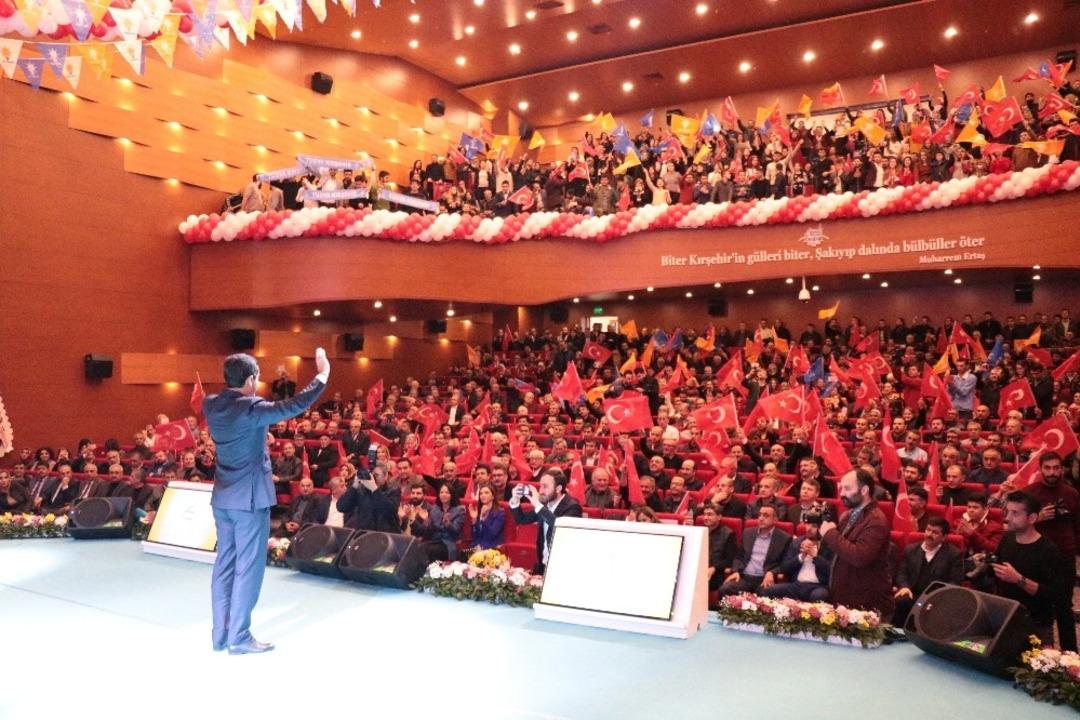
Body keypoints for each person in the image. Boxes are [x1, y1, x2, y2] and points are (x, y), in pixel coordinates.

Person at [202, 348, 329, 655]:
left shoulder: (211, 404)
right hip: (249, 500)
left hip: (223, 498)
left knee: (225, 564)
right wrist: (322, 375)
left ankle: (221, 634)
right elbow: (294, 405)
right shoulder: (251, 407)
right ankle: (239, 636)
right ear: (251, 379)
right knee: (248, 568)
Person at [990, 491, 1071, 647]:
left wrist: (1018, 579)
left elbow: (1054, 595)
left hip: (1036, 624)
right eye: (1008, 512)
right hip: (1007, 618)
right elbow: (998, 565)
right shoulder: (1007, 538)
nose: (1007, 518)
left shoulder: (1049, 551)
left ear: (1032, 518)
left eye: (1015, 513)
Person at [819, 468, 894, 617]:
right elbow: (839, 549)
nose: (841, 493)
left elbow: (859, 557)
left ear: (864, 490)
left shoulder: (876, 521)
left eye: (847, 488)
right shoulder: (848, 515)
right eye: (841, 488)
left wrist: (830, 533)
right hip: (846, 597)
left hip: (867, 604)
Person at [509, 468, 583, 574]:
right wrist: (515, 499)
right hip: (543, 564)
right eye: (540, 486)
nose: (540, 491)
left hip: (562, 566)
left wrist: (537, 504)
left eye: (545, 486)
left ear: (558, 488)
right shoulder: (544, 504)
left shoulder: (573, 507)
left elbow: (558, 526)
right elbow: (521, 519)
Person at [892, 517, 965, 626]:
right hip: (912, 593)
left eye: (935, 532)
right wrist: (904, 586)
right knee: (902, 600)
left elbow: (955, 581)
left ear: (944, 537)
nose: (929, 534)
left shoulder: (954, 554)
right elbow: (901, 572)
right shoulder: (910, 549)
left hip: (936, 597)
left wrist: (937, 595)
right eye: (928, 530)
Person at [719, 505, 791, 596]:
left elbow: (784, 563)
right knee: (725, 589)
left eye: (766, 515)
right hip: (744, 577)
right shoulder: (748, 533)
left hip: (764, 578)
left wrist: (772, 572)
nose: (761, 518)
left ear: (775, 519)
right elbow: (739, 556)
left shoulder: (784, 538)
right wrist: (736, 570)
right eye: (760, 515)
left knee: (767, 593)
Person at [760, 517, 832, 602]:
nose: (809, 528)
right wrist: (801, 556)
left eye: (814, 526)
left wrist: (815, 556)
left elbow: (831, 571)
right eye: (807, 524)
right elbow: (785, 568)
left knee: (819, 595)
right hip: (797, 585)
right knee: (767, 590)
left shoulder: (828, 545)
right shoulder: (797, 542)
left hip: (818, 586)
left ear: (821, 528)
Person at [408, 481, 466, 562]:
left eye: (447, 492)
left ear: (452, 495)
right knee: (416, 548)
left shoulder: (459, 510)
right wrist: (426, 521)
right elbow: (428, 532)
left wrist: (448, 524)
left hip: (448, 543)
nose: (443, 494)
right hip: (434, 541)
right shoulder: (435, 509)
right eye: (441, 492)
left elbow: (456, 532)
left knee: (428, 550)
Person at [336, 462, 401, 532]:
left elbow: (390, 510)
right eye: (371, 475)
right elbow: (341, 507)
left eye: (376, 475)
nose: (372, 478)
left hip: (384, 533)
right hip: (364, 533)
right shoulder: (361, 490)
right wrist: (354, 486)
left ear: (385, 476)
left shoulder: (393, 490)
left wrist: (374, 490)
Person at [700, 504, 738, 593]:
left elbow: (729, 559)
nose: (705, 517)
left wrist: (714, 568)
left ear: (719, 517)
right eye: (704, 514)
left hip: (717, 573)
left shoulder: (728, 534)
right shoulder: (699, 531)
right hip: (699, 568)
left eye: (710, 514)